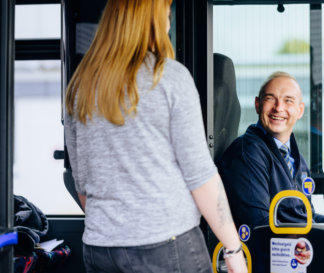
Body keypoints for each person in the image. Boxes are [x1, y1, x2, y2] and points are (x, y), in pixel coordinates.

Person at [64, 1, 246, 272]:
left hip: (100, 249)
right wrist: (233, 249)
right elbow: (201, 177)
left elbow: (82, 185)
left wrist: (113, 230)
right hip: (164, 245)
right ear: (149, 21)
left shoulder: (81, 86)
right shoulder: (169, 77)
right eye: (166, 15)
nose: (169, 23)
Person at [216, 72, 324, 232]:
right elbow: (260, 228)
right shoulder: (247, 153)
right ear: (258, 104)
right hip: (271, 254)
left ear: (300, 110)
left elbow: (306, 218)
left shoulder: (297, 160)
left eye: (288, 101)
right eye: (270, 98)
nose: (278, 107)